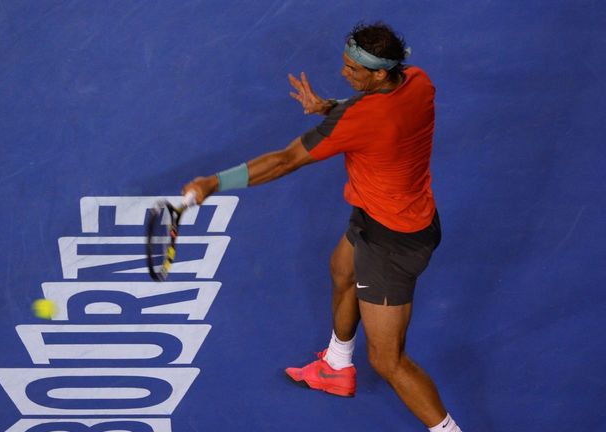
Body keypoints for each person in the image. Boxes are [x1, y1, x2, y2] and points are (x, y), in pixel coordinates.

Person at [182, 22, 462, 432]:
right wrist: (330, 106)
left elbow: (284, 161)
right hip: (386, 214)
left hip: (392, 242)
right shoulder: (418, 81)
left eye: (353, 69)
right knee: (341, 269)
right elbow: (365, 111)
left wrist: (213, 183)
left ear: (379, 73)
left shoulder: (361, 119)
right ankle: (336, 365)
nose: (344, 72)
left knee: (388, 361)